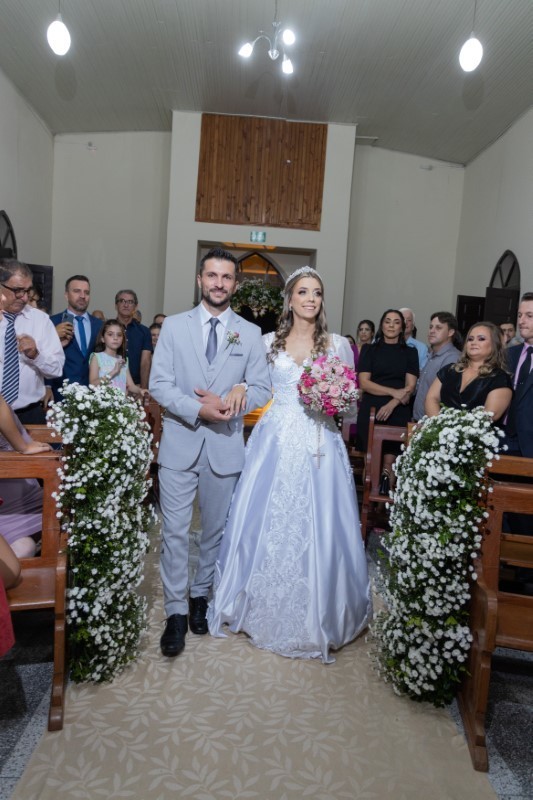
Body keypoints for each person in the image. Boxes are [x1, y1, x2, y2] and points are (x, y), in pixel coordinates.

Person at [208, 266, 372, 663]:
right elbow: (254, 383)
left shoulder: (337, 345)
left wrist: (334, 399)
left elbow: (351, 403)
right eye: (303, 292)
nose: (310, 299)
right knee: (268, 517)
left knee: (319, 521)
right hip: (276, 440)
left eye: (317, 292)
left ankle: (322, 609)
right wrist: (239, 385)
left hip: (319, 441)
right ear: (290, 299)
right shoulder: (267, 342)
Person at [149, 247, 271, 658]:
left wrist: (240, 393)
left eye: (227, 277)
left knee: (215, 531)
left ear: (236, 284)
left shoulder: (249, 333)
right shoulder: (174, 326)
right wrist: (197, 408)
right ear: (200, 279)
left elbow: (263, 388)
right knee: (175, 531)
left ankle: (200, 595)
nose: (219, 283)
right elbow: (159, 385)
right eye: (212, 275)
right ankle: (175, 612)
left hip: (224, 446)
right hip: (179, 442)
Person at [0, 259, 64, 424]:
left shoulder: (41, 321)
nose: (24, 297)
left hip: (28, 414)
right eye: (17, 290)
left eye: (28, 290)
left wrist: (36, 355)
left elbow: (56, 369)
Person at [356, 309, 418, 454]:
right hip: (371, 409)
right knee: (370, 460)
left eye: (396, 322)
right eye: (387, 321)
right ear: (381, 326)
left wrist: (392, 403)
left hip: (398, 409)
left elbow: (411, 386)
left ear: (402, 328)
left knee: (391, 462)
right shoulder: (368, 350)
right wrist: (393, 392)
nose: (391, 325)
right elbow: (364, 383)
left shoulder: (410, 352)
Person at [425, 321, 512, 421]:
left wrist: (456, 429)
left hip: (477, 430)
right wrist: (440, 426)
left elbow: (489, 416)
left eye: (481, 339)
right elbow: (431, 398)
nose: (473, 343)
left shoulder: (500, 378)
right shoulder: (449, 370)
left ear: (495, 344)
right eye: (470, 339)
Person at [0, 394, 51, 558]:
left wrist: (26, 445)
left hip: (25, 491)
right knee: (24, 548)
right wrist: (23, 447)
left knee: (71, 507)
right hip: (7, 502)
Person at [49, 275, 103, 401]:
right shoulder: (52, 322)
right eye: (77, 291)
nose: (82, 296)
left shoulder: (100, 325)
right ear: (66, 295)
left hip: (93, 396)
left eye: (86, 292)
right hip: (61, 395)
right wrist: (47, 386)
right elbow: (43, 356)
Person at [413, 312, 462, 421]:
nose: (432, 331)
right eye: (431, 327)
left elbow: (446, 397)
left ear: (450, 332)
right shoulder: (431, 355)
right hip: (419, 421)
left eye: (438, 328)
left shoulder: (453, 358)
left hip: (434, 423)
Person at [503, 293, 533, 456]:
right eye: (520, 315)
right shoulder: (508, 354)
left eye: (529, 316)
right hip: (502, 439)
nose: (521, 321)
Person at [89, 319, 147, 398]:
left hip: (121, 403)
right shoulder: (97, 357)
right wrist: (114, 372)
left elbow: (131, 385)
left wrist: (140, 390)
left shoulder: (123, 360)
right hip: (103, 403)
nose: (115, 338)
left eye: (119, 335)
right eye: (110, 334)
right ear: (102, 338)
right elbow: (93, 385)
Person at [115, 290, 152, 388]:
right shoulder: (107, 329)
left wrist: (142, 389)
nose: (126, 305)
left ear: (136, 306)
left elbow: (145, 362)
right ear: (116, 305)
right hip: (112, 385)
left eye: (130, 302)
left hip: (137, 386)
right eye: (122, 301)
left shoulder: (144, 331)